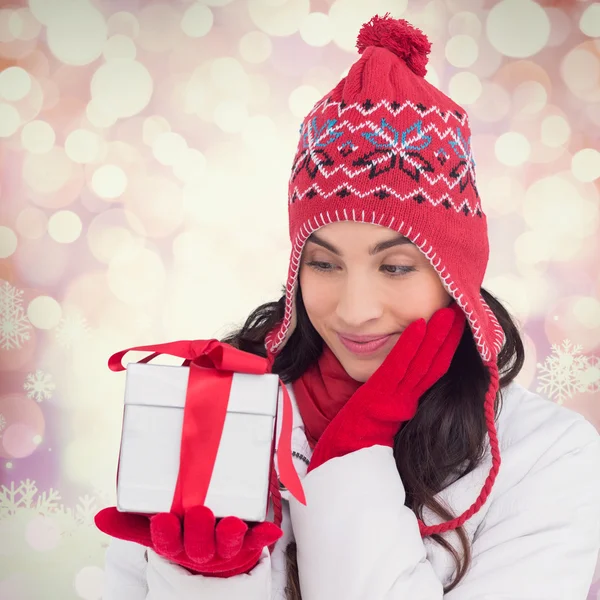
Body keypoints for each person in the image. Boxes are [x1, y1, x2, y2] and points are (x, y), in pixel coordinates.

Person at [95, 15, 600, 600]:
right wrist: (207, 583)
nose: (355, 311)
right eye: (325, 263)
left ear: (454, 273)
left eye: (396, 266)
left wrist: (355, 457)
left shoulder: (546, 454)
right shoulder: (214, 415)